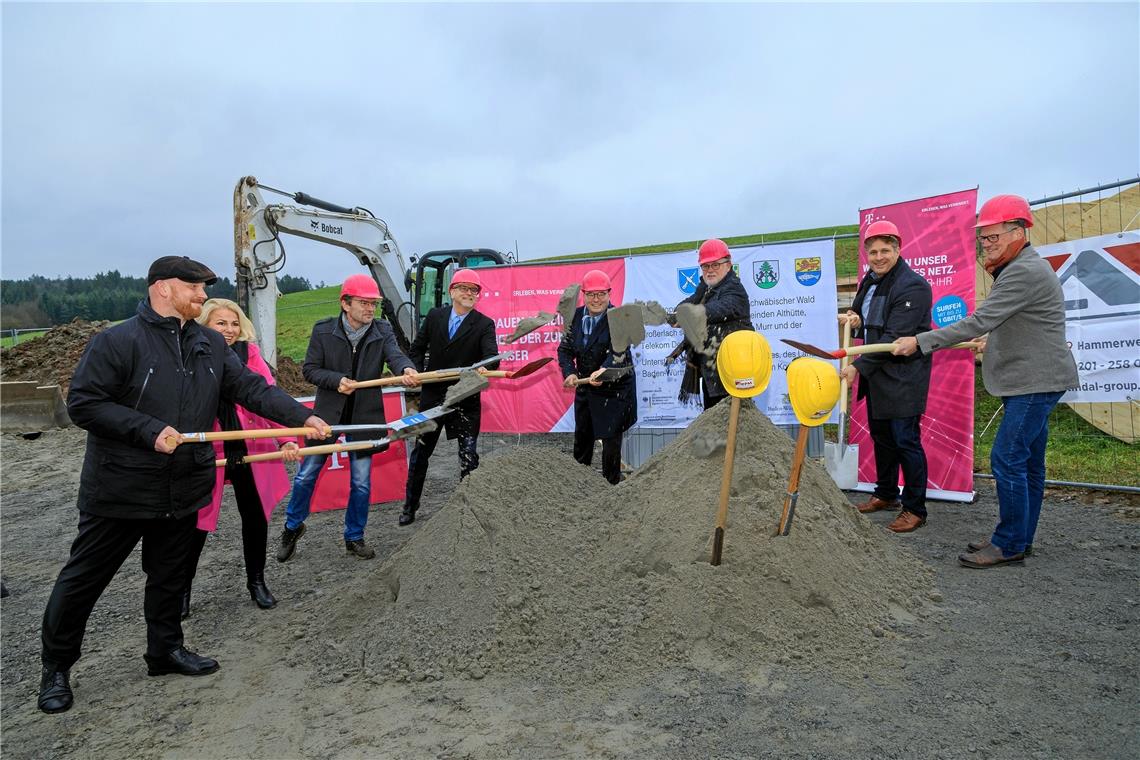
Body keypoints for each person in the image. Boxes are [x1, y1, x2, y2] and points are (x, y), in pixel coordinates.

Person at [38, 256, 329, 715]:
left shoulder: (209, 344)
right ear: (161, 289)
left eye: (203, 287)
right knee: (83, 580)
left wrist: (302, 417)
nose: (201, 294)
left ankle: (164, 651)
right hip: (121, 488)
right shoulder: (117, 341)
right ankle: (56, 668)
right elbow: (85, 403)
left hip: (184, 485)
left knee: (170, 576)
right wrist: (148, 430)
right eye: (193, 286)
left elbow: (252, 389)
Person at [893, 194, 1078, 568]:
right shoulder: (1019, 268)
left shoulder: (1023, 272)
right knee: (1028, 463)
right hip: (1033, 379)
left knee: (1007, 458)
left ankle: (1009, 543)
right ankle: (1018, 538)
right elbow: (1018, 325)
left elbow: (981, 319)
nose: (987, 244)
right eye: (984, 238)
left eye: (993, 237)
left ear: (1018, 232)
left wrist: (920, 341)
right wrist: (988, 344)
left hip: (1034, 382)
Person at [277, 274, 420, 562]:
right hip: (326, 416)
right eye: (364, 303)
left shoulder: (381, 330)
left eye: (374, 304)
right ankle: (292, 527)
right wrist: (336, 380)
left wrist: (406, 370)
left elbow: (395, 356)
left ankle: (354, 536)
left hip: (365, 417)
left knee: (362, 482)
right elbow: (310, 370)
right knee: (305, 475)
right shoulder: (323, 331)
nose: (370, 309)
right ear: (345, 303)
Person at [181, 298, 303, 619]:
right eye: (221, 323)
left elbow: (267, 395)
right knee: (196, 523)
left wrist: (288, 437)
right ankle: (181, 589)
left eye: (234, 323)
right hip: (211, 448)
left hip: (250, 446)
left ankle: (257, 582)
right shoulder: (189, 354)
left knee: (255, 516)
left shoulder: (249, 354)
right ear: (205, 325)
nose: (230, 330)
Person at [841, 220, 933, 533]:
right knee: (882, 438)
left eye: (885, 250)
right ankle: (886, 493)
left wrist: (856, 367)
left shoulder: (912, 286)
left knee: (906, 440)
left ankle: (915, 508)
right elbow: (863, 318)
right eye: (873, 252)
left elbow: (895, 338)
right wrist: (854, 319)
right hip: (878, 376)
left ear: (898, 249)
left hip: (903, 378)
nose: (878, 257)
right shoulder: (871, 280)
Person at [399, 269, 499, 525]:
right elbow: (417, 349)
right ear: (452, 291)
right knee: (420, 453)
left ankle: (470, 509)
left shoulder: (484, 324)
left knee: (468, 455)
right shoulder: (435, 317)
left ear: (478, 296)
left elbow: (492, 358)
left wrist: (485, 367)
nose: (468, 293)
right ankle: (410, 506)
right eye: (463, 288)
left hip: (464, 398)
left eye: (473, 290)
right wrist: (417, 373)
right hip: (433, 397)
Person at [557, 269, 637, 485]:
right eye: (591, 294)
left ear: (609, 294)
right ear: (583, 295)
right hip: (585, 389)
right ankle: (579, 487)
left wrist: (604, 368)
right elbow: (564, 350)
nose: (596, 299)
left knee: (611, 447)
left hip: (614, 392)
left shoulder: (619, 318)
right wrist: (570, 372)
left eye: (601, 294)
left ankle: (611, 489)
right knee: (582, 441)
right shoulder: (575, 318)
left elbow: (620, 352)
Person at [672, 239, 754, 409]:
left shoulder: (735, 290)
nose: (710, 270)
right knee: (713, 425)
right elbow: (684, 305)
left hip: (734, 371)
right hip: (712, 372)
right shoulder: (705, 288)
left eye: (715, 265)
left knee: (735, 426)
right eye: (705, 266)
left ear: (728, 265)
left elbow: (716, 310)